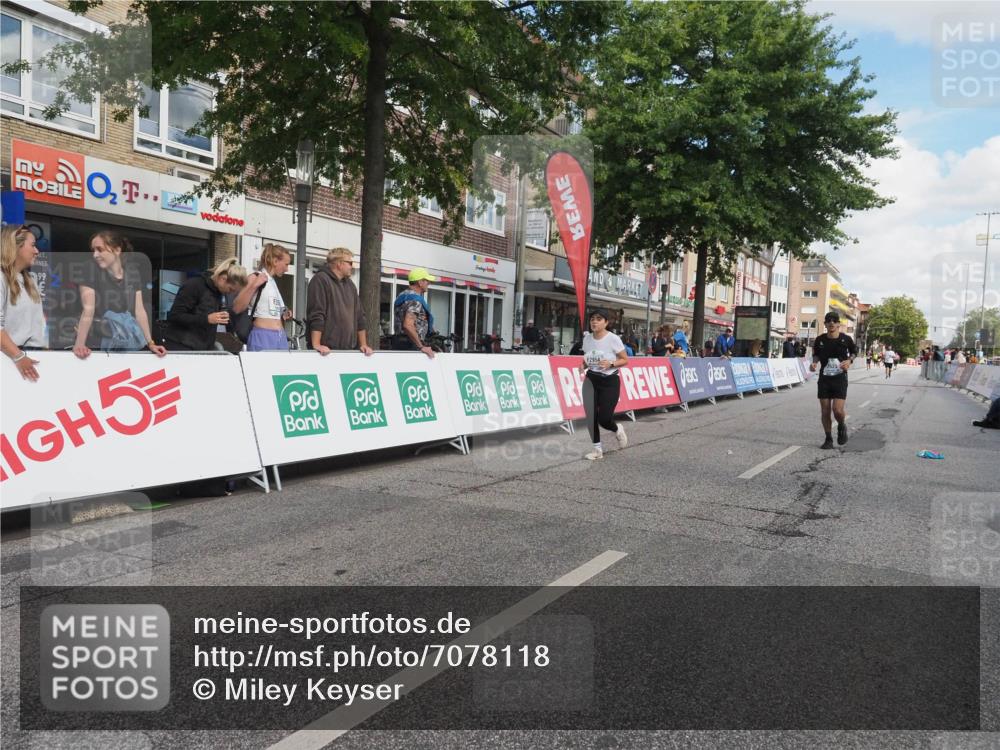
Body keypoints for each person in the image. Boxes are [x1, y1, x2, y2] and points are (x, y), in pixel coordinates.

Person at [73, 230, 166, 358]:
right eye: (93, 250)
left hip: (125, 342)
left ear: (117, 250)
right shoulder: (89, 268)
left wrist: (150, 343)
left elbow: (139, 311)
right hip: (96, 342)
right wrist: (80, 344)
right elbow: (88, 309)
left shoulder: (132, 273)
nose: (95, 255)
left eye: (100, 249)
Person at [164, 258, 248, 351]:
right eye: (231, 289)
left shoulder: (218, 292)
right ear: (223, 279)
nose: (230, 293)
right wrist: (207, 319)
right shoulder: (194, 285)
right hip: (181, 346)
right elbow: (175, 316)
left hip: (202, 348)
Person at [578, 309, 628, 460]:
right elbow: (588, 359)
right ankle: (597, 450)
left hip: (609, 381)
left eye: (599, 319)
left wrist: (611, 363)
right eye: (592, 319)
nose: (594, 322)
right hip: (591, 379)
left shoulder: (613, 339)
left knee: (604, 419)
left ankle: (617, 429)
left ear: (606, 322)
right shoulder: (587, 339)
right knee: (591, 416)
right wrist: (583, 366)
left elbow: (625, 360)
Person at [306, 247, 372, 356]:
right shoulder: (320, 280)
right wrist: (316, 344)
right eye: (350, 263)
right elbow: (317, 313)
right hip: (325, 351)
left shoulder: (350, 285)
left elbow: (360, 316)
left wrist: (363, 344)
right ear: (339, 264)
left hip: (348, 350)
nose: (352, 266)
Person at [1, 225, 46, 381]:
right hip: (10, 362)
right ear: (16, 247)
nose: (37, 251)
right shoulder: (1, 278)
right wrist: (18, 356)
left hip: (33, 359)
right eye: (32, 245)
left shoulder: (30, 280)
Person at [809, 311, 857, 449]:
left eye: (834, 321)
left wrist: (849, 360)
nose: (831, 323)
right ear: (825, 324)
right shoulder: (820, 340)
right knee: (825, 411)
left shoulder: (845, 339)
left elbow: (854, 352)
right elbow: (816, 354)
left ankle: (841, 425)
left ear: (838, 324)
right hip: (824, 379)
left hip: (840, 378)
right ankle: (828, 438)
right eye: (828, 320)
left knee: (837, 410)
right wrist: (814, 363)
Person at [233, 243, 293, 351]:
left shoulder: (272, 282)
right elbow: (237, 307)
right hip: (262, 335)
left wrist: (284, 312)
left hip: (280, 337)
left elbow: (270, 309)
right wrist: (254, 285)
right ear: (275, 261)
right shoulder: (255, 277)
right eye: (286, 264)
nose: (287, 269)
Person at [392, 268, 436, 358]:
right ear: (420, 282)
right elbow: (408, 325)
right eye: (427, 281)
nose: (429, 283)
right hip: (411, 344)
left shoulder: (402, 295)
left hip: (399, 341)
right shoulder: (415, 300)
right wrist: (421, 346)